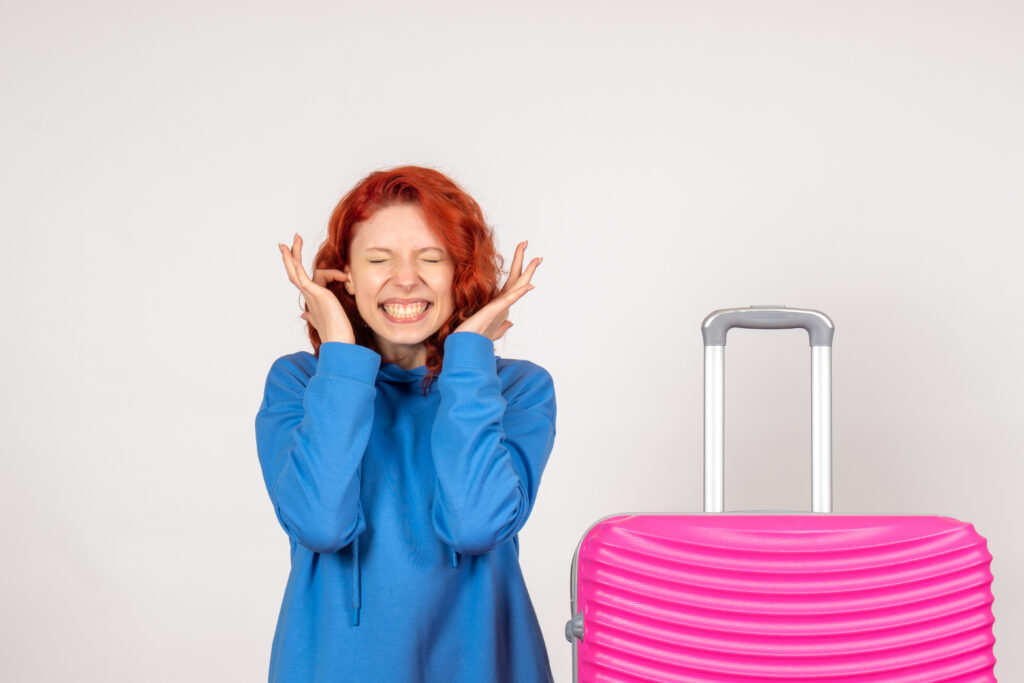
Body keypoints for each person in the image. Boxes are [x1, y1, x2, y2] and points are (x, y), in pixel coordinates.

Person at [254, 166, 556, 682]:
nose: (406, 278)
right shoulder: (301, 383)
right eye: (378, 259)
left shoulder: (516, 389)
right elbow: (321, 525)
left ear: (460, 273)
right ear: (346, 276)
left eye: (431, 258)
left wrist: (468, 357)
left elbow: (475, 525)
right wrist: (340, 357)